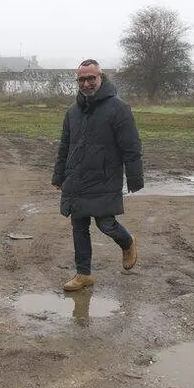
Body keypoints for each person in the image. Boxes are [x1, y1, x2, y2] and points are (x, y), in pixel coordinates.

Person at [52, 59, 144, 292]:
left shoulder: (118, 108)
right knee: (79, 226)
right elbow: (65, 146)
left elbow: (131, 145)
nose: (86, 83)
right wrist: (59, 175)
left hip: (104, 176)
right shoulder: (72, 112)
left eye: (91, 78)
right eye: (82, 79)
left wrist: (134, 178)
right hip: (76, 177)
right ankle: (83, 274)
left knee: (106, 223)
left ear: (101, 78)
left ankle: (127, 242)